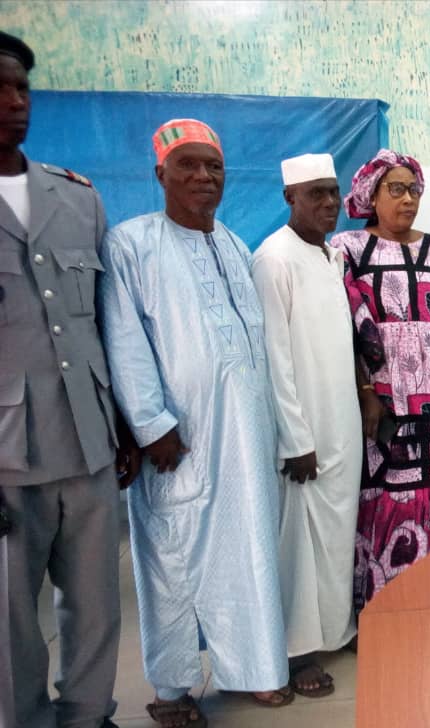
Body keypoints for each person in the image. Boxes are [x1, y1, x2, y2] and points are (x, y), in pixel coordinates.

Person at [99, 118, 291, 725]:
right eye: (188, 165)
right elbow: (123, 338)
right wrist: (150, 424)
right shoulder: (131, 244)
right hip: (178, 438)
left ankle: (255, 668)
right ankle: (171, 688)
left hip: (245, 436)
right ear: (160, 174)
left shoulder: (234, 246)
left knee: (249, 553)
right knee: (171, 560)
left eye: (214, 166)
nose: (204, 176)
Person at [0, 32, 139, 728]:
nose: (13, 101)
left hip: (87, 439)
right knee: (8, 619)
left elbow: (105, 325)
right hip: (7, 456)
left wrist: (124, 426)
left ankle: (87, 715)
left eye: (21, 88)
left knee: (95, 603)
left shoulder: (76, 199)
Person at [330, 149, 430, 612]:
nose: (407, 199)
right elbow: (345, 331)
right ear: (371, 195)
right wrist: (366, 392)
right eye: (395, 189)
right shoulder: (348, 251)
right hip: (386, 403)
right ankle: (389, 609)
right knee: (391, 497)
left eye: (414, 190)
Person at [251, 153, 362, 698]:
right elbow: (274, 358)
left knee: (337, 536)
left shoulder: (330, 254)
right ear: (289, 198)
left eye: (333, 192)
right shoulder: (273, 259)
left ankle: (336, 630)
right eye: (315, 193)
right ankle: (297, 651)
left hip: (342, 422)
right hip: (305, 433)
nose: (328, 203)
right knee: (300, 543)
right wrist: (295, 439)